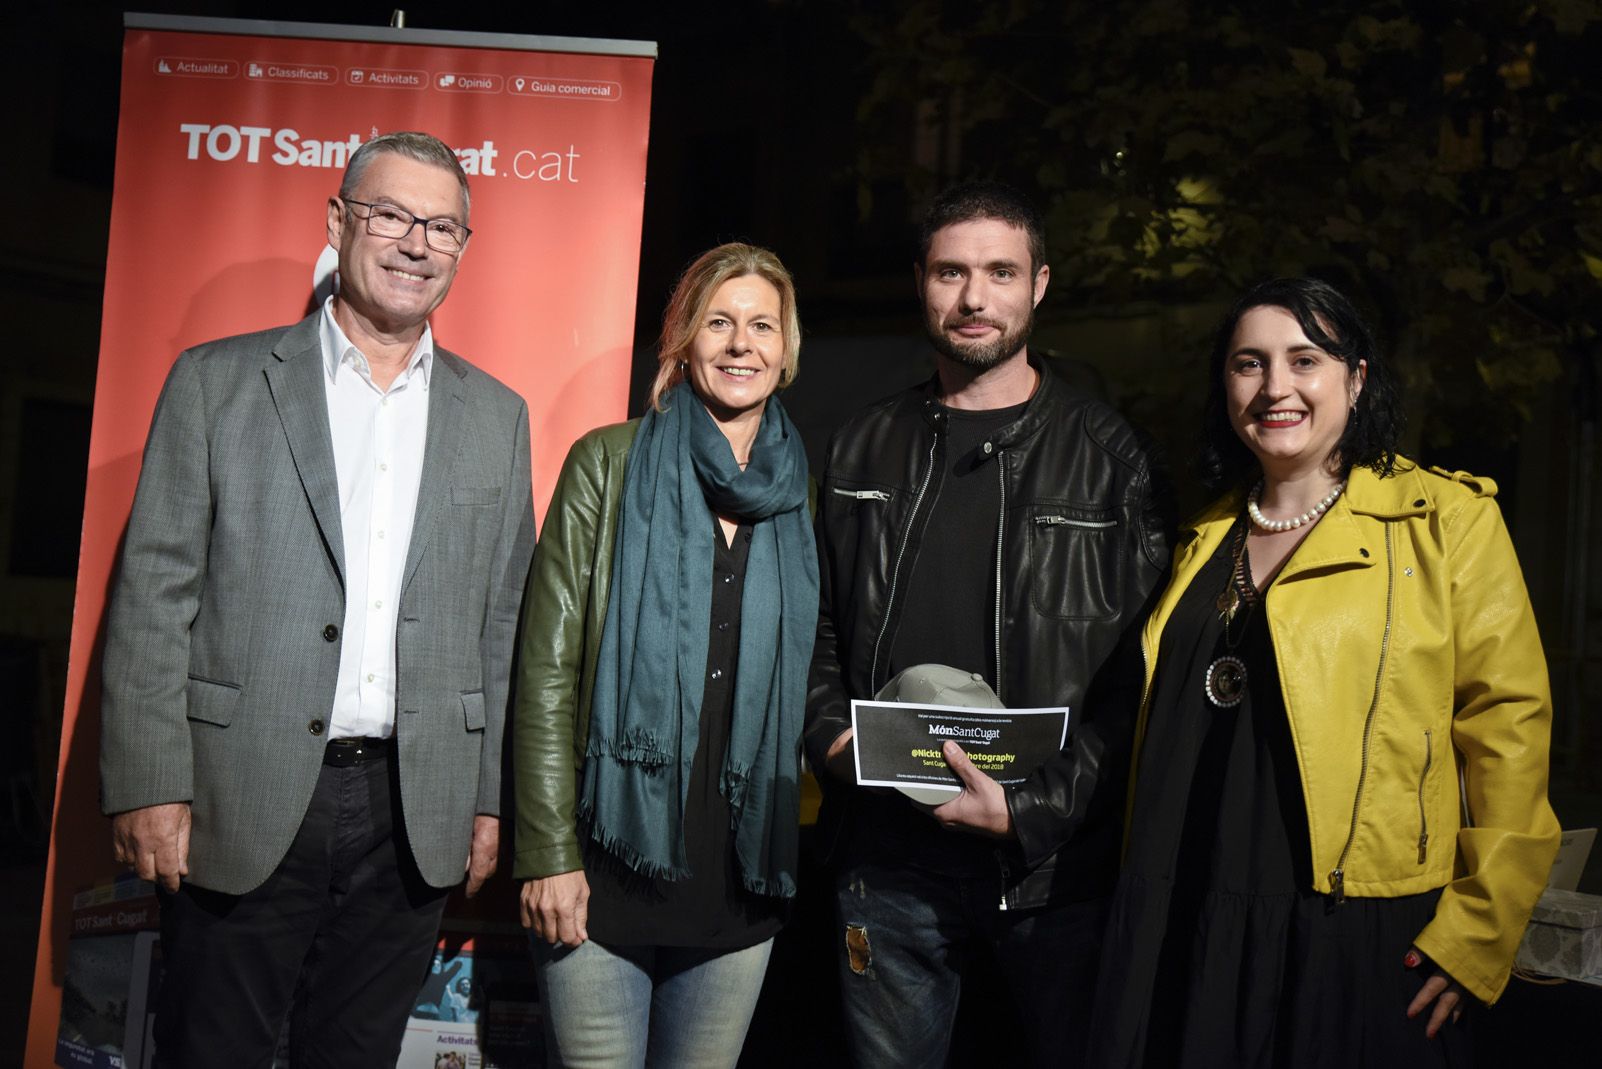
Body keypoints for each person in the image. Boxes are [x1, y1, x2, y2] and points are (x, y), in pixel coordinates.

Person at [99, 131, 536, 1064]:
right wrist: (148, 780)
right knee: (211, 1049)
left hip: (412, 810)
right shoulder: (216, 384)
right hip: (238, 794)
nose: (416, 244)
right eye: (391, 215)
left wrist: (491, 799)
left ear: (464, 247)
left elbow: (504, 622)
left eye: (443, 227)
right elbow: (153, 593)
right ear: (339, 222)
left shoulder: (497, 416)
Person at [1088, 277, 1562, 1067]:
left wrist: (1478, 932)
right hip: (1184, 916)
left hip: (1356, 930)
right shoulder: (1200, 537)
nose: (1276, 386)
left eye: (1305, 359)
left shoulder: (1445, 520)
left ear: (1358, 377)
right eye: (1249, 363)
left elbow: (1508, 726)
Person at [803, 180, 1170, 1068]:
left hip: (1047, 877)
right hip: (885, 863)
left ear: (1039, 284)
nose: (974, 298)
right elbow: (815, 628)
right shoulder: (862, 442)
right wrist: (830, 742)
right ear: (922, 284)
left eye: (1000, 272)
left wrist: (1031, 812)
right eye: (952, 272)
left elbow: (1135, 677)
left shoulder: (1108, 453)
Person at [513, 243, 818, 1067]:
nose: (741, 344)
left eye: (762, 325)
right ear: (683, 339)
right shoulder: (607, 463)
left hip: (740, 873)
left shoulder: (799, 493)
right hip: (605, 864)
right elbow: (545, 673)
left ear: (786, 348)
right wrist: (547, 854)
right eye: (718, 322)